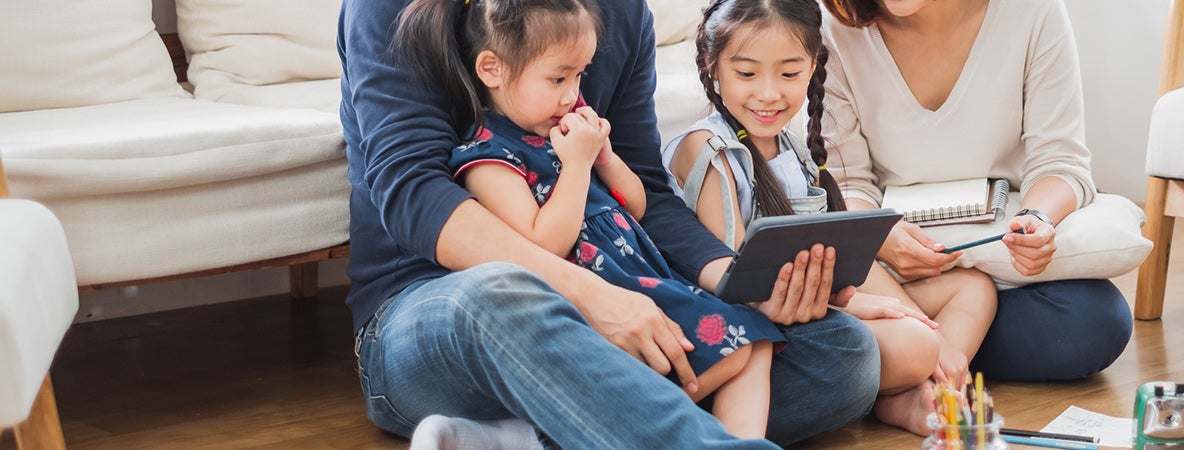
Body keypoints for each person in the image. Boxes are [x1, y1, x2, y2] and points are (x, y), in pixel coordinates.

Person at [339, 0, 882, 446]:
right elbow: (411, 192)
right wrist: (592, 299)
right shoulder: (385, 10)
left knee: (843, 355)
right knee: (498, 293)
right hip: (439, 306)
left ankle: (512, 439)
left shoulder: (620, 14)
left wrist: (741, 284)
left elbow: (645, 190)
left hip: (618, 289)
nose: (574, 91)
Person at [661, 0, 995, 435]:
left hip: (821, 300)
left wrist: (872, 302)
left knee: (974, 289)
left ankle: (917, 388)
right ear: (713, 64)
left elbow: (833, 255)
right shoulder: (708, 151)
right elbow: (738, 288)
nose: (768, 93)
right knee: (916, 343)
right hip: (764, 319)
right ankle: (914, 382)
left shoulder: (793, 149)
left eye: (788, 73)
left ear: (813, 66)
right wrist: (859, 304)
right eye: (746, 74)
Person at [816, 0, 1134, 381]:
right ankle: (934, 357)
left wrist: (1036, 217)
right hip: (889, 264)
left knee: (1094, 321)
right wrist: (881, 236)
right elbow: (845, 182)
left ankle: (901, 356)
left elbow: (1059, 161)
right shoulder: (833, 26)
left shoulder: (1033, 12)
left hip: (996, 255)